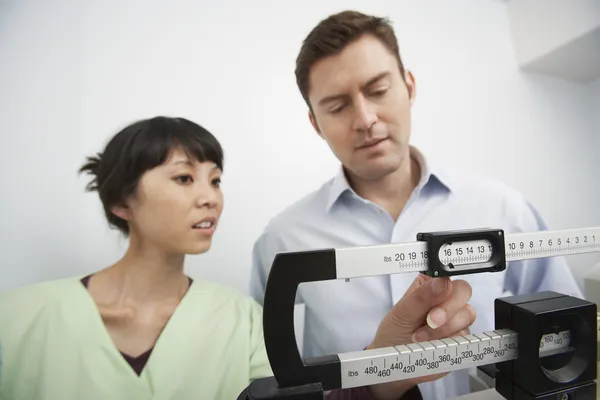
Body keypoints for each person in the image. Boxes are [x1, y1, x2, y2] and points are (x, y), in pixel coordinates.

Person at [0, 116, 472, 400]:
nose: (210, 198)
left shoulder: (246, 320)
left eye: (216, 179)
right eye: (185, 179)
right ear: (122, 202)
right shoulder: (18, 319)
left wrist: (379, 364)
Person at [249, 10, 583, 400]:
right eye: (337, 107)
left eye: (377, 90)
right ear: (314, 122)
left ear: (408, 86)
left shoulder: (504, 209)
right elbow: (271, 379)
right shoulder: (281, 241)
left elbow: (572, 340)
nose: (366, 119)